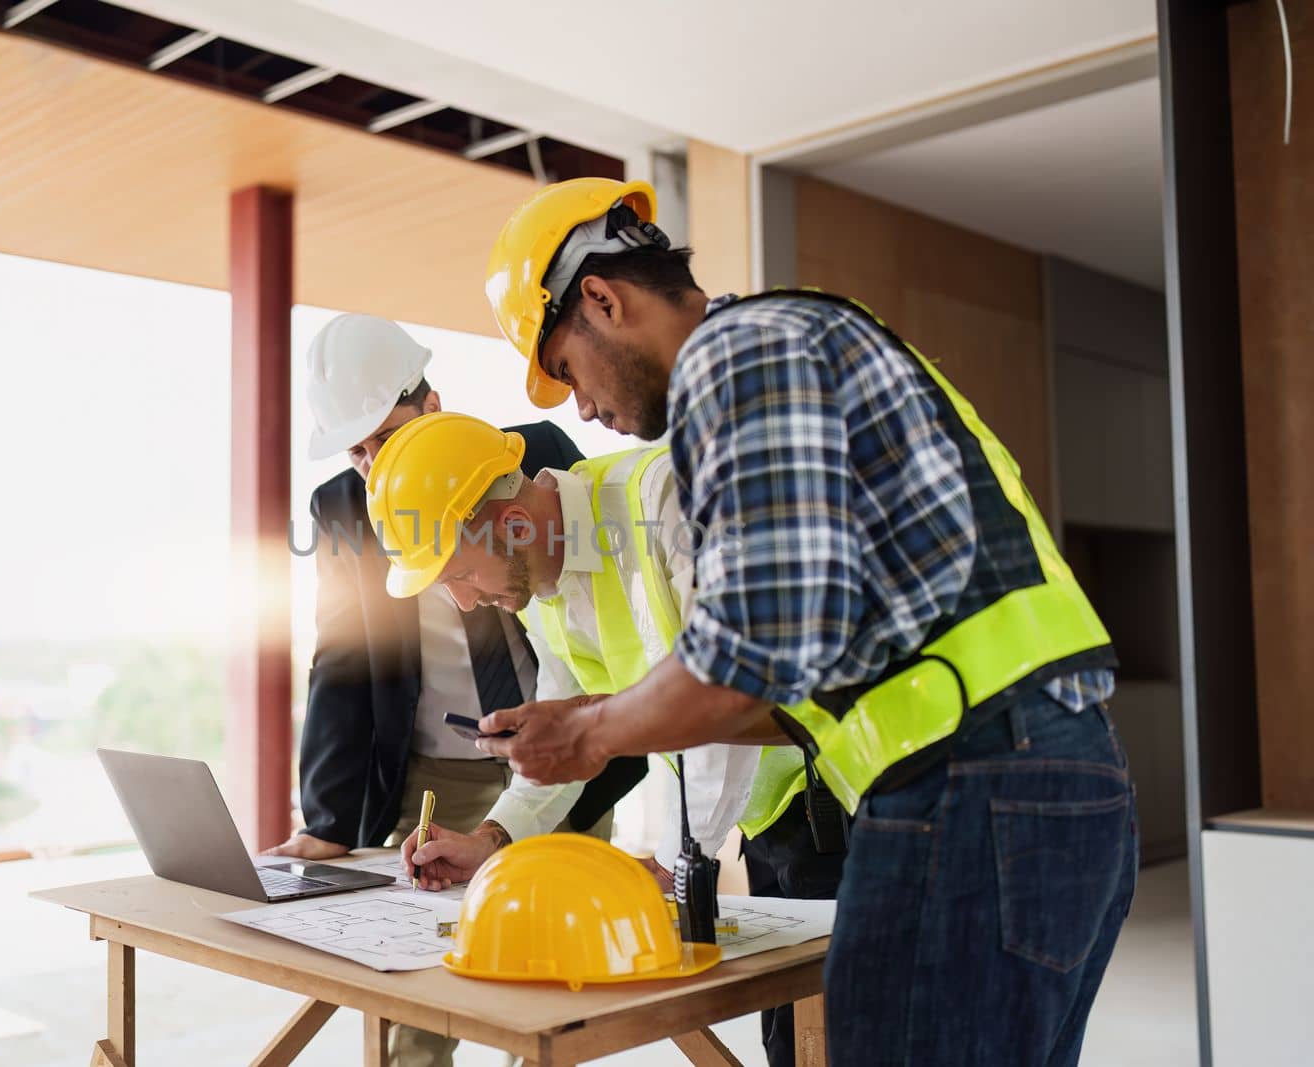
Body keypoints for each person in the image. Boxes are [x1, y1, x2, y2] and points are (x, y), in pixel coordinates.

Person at [470, 178, 1138, 1067]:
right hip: (1057, 775)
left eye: (567, 369)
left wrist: (593, 731)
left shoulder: (737, 355)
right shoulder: (817, 334)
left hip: (966, 783)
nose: (581, 409)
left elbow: (749, 647)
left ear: (602, 297)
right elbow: (801, 672)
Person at [264, 313, 645, 1067]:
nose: (375, 463)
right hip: (433, 766)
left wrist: (592, 740)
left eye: (386, 434)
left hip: (558, 744)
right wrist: (328, 816)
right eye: (359, 449)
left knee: (546, 982)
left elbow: (585, 631)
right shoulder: (343, 511)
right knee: (413, 989)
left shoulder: (530, 460)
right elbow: (338, 659)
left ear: (431, 405)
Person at [360, 410, 764, 894]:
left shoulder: (664, 503)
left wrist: (669, 863)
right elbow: (563, 728)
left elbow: (718, 694)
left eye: (462, 576)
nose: (467, 602)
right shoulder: (536, 582)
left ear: (516, 526)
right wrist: (493, 839)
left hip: (831, 794)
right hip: (762, 825)